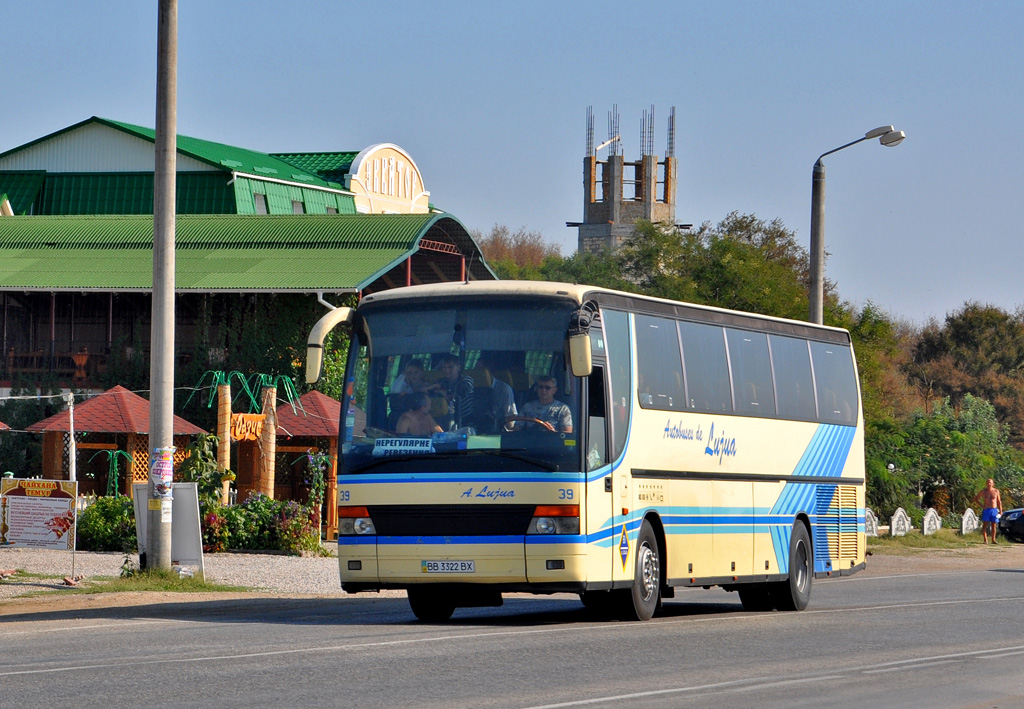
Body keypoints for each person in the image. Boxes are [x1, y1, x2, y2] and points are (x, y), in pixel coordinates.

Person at [436, 353, 474, 429]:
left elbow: (462, 390)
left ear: (458, 367)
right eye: (444, 367)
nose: (447, 370)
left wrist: (442, 390)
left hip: (466, 420)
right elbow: (429, 391)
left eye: (450, 367)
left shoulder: (467, 380)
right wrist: (440, 391)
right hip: (445, 420)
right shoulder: (441, 381)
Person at [973, 478, 1003, 544]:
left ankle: (993, 539)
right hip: (986, 510)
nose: (989, 484)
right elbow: (976, 498)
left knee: (994, 525)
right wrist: (982, 506)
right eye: (988, 482)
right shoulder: (984, 491)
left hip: (994, 510)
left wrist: (1001, 510)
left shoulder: (996, 491)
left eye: (990, 482)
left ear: (993, 484)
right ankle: (985, 540)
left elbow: (999, 501)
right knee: (985, 525)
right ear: (986, 483)